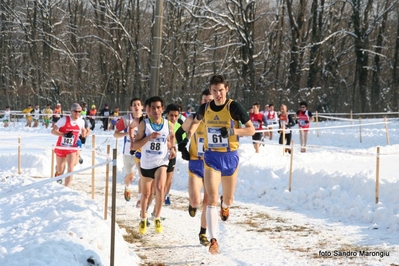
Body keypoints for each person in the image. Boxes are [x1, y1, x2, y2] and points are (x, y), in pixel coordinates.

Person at [183, 75, 255, 254]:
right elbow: (196, 121)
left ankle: (226, 206)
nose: (218, 94)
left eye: (221, 90)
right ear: (211, 91)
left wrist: (232, 130)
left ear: (226, 89)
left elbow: (251, 129)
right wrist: (189, 135)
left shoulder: (234, 107)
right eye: (214, 91)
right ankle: (213, 239)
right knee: (211, 198)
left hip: (230, 157)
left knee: (228, 199)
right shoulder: (205, 107)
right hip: (211, 157)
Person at [131, 96, 176, 235]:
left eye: (158, 107)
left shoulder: (168, 124)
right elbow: (134, 145)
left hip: (161, 161)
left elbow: (172, 137)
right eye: (153, 108)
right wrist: (148, 138)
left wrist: (172, 148)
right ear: (149, 110)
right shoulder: (145, 124)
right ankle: (143, 217)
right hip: (146, 163)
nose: (156, 110)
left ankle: (157, 216)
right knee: (146, 194)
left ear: (162, 109)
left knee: (160, 188)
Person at [177, 88, 213, 247]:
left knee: (208, 200)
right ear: (201, 102)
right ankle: (192, 204)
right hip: (196, 162)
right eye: (205, 101)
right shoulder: (192, 118)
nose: (207, 103)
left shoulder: (218, 120)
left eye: (210, 101)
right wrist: (182, 147)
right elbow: (179, 133)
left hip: (212, 164)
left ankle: (203, 232)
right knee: (196, 200)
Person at [114, 98, 144, 203]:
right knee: (130, 177)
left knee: (142, 175)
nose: (136, 106)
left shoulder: (145, 120)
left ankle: (140, 198)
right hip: (127, 153)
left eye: (138, 104)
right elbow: (115, 134)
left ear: (142, 107)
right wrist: (126, 133)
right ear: (131, 108)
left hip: (141, 153)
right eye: (134, 105)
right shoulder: (126, 119)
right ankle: (127, 187)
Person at [51, 103, 87, 187]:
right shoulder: (63, 120)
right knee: (60, 169)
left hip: (72, 148)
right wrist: (64, 135)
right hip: (61, 146)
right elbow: (53, 131)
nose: (77, 113)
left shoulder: (81, 121)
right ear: (71, 111)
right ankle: (58, 174)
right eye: (75, 111)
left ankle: (66, 188)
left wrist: (83, 137)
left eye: (79, 111)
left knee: (70, 168)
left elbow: (83, 130)